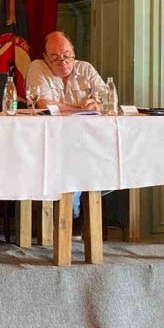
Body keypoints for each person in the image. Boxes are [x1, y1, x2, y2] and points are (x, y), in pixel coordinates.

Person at [25, 31, 106, 225]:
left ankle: (74, 214)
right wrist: (80, 107)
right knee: (68, 160)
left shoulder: (86, 69)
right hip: (47, 141)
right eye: (56, 57)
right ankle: (70, 215)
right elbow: (44, 104)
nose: (63, 61)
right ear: (45, 57)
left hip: (87, 140)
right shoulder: (38, 67)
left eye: (67, 55)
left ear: (74, 52)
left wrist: (98, 105)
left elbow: (107, 98)